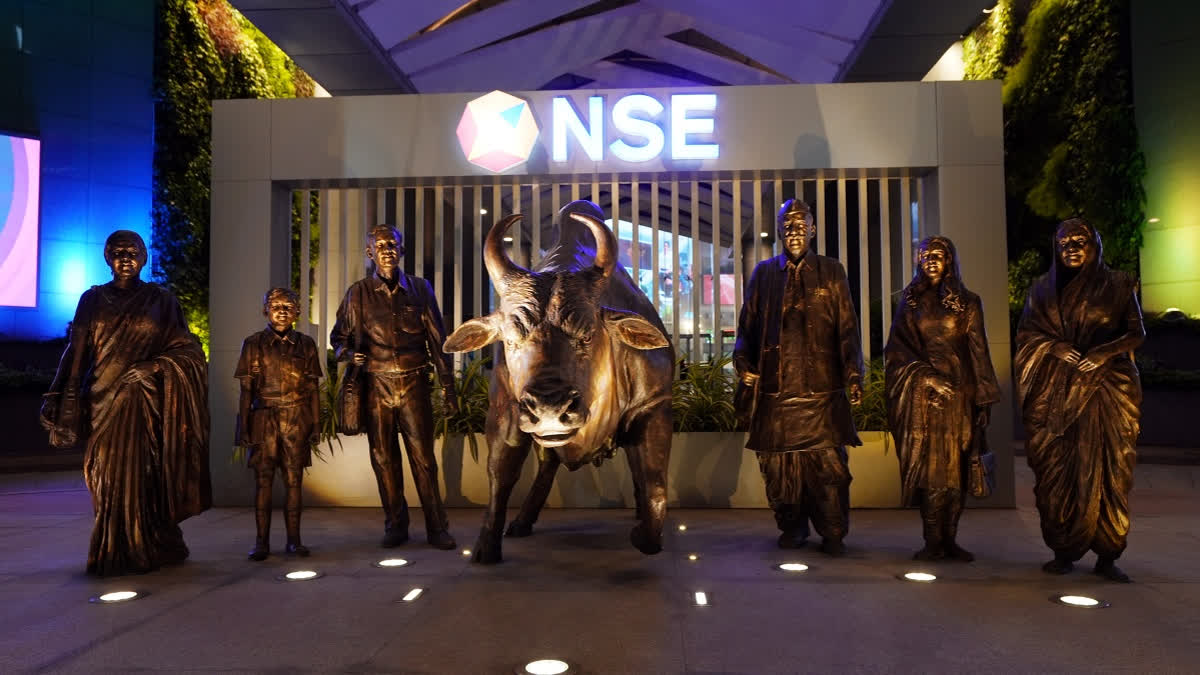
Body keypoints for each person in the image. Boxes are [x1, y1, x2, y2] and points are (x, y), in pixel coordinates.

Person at [40, 230, 211, 576]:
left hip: (144, 402)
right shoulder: (92, 299)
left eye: (132, 252)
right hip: (103, 399)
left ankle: (149, 542)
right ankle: (111, 546)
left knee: (145, 474)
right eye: (118, 252)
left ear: (144, 257)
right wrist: (58, 399)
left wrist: (156, 366)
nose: (125, 258)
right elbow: (75, 352)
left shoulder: (161, 300)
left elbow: (189, 350)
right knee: (104, 474)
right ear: (107, 257)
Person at [1015, 218, 1144, 582]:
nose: (1071, 247)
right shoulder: (1041, 289)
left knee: (1111, 471)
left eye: (1079, 240)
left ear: (1094, 244)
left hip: (1107, 390)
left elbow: (1137, 333)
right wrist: (1053, 347)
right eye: (1063, 242)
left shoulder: (1118, 284)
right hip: (1055, 392)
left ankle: (1108, 553)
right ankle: (1063, 548)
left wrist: (1104, 353)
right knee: (1057, 471)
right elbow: (1026, 334)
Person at [734, 199, 864, 556]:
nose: (794, 232)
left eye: (800, 224)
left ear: (813, 229)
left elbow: (848, 330)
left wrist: (854, 375)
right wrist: (743, 362)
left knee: (830, 472)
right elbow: (747, 327)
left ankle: (833, 531)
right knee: (779, 472)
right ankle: (792, 527)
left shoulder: (831, 271)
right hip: (776, 394)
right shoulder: (763, 274)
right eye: (787, 225)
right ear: (778, 231)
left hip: (821, 392)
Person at [330, 224, 459, 550]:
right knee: (383, 458)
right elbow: (337, 339)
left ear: (402, 250)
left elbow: (438, 341)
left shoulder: (420, 288)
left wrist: (448, 388)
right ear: (369, 252)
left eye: (393, 243)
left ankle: (436, 526)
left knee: (424, 459)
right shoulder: (357, 293)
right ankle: (395, 524)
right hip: (376, 385)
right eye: (380, 244)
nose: (387, 249)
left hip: (414, 383)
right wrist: (349, 354)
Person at [884, 236, 999, 561]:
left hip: (960, 397)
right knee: (934, 473)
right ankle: (932, 540)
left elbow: (979, 351)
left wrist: (984, 398)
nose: (930, 259)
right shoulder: (911, 303)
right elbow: (896, 349)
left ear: (950, 260)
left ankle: (951, 539)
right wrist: (927, 376)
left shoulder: (969, 302)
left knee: (958, 471)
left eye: (938, 254)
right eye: (924, 255)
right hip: (925, 400)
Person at [235, 288, 323, 561]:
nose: (282, 310)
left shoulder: (306, 344)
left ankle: (294, 541)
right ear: (265, 310)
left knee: (294, 482)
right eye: (276, 305)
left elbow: (313, 390)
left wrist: (316, 425)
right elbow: (246, 391)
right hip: (264, 416)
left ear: (297, 312)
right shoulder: (253, 343)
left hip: (296, 418)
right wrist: (244, 428)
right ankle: (261, 542)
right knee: (263, 483)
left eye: (289, 306)